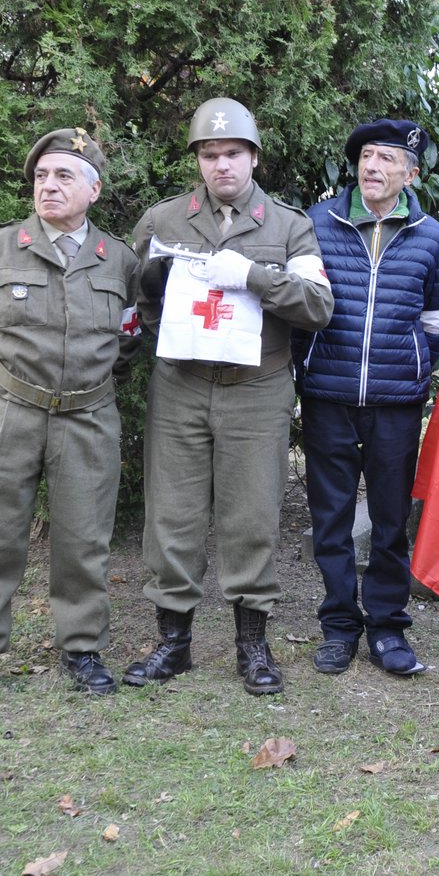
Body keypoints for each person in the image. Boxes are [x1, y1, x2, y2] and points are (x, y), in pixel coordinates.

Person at [126, 97, 333, 696]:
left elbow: (318, 307)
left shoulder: (288, 225)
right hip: (181, 385)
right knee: (172, 514)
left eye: (233, 153)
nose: (222, 165)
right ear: (198, 160)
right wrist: (154, 281)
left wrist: (253, 275)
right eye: (210, 154)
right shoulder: (162, 221)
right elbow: (132, 302)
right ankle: (173, 641)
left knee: (252, 515)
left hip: (257, 389)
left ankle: (252, 645)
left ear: (254, 158)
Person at [0, 126, 141, 700]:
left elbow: (128, 339)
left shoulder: (119, 262)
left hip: (88, 416)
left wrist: (99, 386)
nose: (48, 187)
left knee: (84, 536)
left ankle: (81, 648)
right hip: (7, 411)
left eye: (63, 176)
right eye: (41, 176)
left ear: (94, 190)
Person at [294, 118, 439, 678]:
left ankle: (386, 626)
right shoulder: (316, 224)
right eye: (366, 155)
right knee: (331, 519)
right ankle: (339, 624)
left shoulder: (432, 238)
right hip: (327, 396)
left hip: (396, 403)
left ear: (411, 173)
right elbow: (297, 307)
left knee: (389, 520)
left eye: (388, 158)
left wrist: (410, 367)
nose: (373, 166)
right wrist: (305, 368)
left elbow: (436, 325)